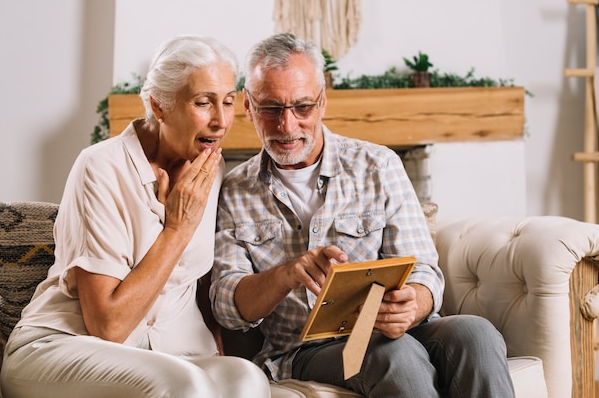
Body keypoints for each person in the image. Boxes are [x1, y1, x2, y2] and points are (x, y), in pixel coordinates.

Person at [210, 32, 515, 398]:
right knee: (395, 355)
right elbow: (227, 306)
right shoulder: (234, 189)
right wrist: (286, 275)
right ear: (248, 105)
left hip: (395, 330)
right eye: (271, 109)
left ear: (323, 102)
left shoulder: (378, 165)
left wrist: (415, 303)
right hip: (306, 349)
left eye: (303, 108)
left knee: (477, 334)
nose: (287, 127)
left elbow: (423, 269)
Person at [0, 35, 270, 398]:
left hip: (170, 354)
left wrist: (215, 352)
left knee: (245, 379)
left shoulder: (210, 166)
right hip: (65, 346)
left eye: (227, 102)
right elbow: (108, 326)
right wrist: (176, 228)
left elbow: (197, 284)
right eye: (203, 103)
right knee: (182, 384)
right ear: (159, 106)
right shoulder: (100, 166)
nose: (221, 121)